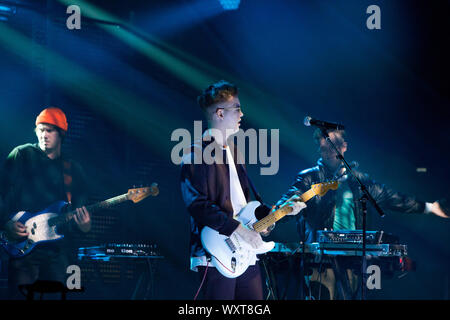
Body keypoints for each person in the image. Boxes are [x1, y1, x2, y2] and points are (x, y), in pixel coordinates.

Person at [275, 127, 449, 299]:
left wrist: (429, 207)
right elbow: (290, 201)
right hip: (320, 259)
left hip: (352, 258)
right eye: (324, 148)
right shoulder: (309, 178)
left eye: (332, 146)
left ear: (344, 146)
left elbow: (389, 197)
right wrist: (272, 218)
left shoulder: (358, 180)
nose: (328, 152)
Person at [180, 80, 306, 300]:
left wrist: (271, 218)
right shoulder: (196, 152)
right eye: (236, 108)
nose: (242, 113)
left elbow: (244, 207)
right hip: (216, 251)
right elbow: (197, 205)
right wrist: (240, 229)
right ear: (220, 113)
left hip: (245, 251)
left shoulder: (236, 153)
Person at [0, 107, 91, 299]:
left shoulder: (73, 169)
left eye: (50, 130)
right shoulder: (21, 155)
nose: (44, 135)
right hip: (23, 248)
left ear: (61, 134)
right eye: (41, 130)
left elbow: (81, 215)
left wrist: (85, 225)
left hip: (57, 253)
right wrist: (4, 223)